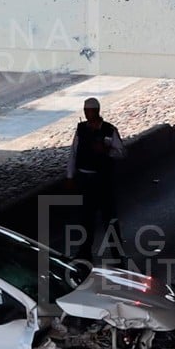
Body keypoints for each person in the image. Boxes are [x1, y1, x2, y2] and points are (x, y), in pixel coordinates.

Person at [65, 97, 125, 259]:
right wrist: (70, 176)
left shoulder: (109, 130)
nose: (87, 114)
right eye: (85, 111)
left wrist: (106, 150)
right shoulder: (81, 130)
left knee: (109, 217)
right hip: (85, 180)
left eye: (90, 111)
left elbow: (121, 152)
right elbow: (73, 153)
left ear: (97, 111)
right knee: (85, 217)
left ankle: (117, 253)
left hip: (102, 179)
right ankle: (85, 252)